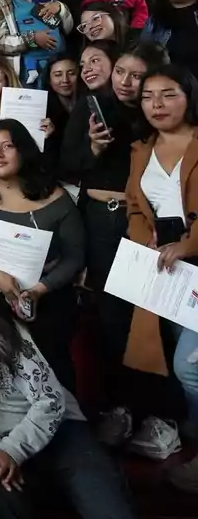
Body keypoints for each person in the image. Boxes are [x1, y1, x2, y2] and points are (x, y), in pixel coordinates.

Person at [0, 258, 135, 517]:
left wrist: (11, 449)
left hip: (62, 431)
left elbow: (51, 399)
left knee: (109, 509)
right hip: (4, 441)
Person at [0, 119, 85, 391]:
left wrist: (39, 290)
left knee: (53, 360)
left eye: (7, 146)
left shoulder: (56, 198)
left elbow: (75, 256)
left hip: (45, 295)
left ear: (24, 151)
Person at [124, 64, 198, 486]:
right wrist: (145, 241)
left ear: (188, 96)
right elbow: (136, 207)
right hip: (168, 269)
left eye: (168, 94)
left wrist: (187, 245)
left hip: (191, 255)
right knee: (179, 359)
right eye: (149, 95)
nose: (157, 104)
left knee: (190, 367)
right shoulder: (141, 149)